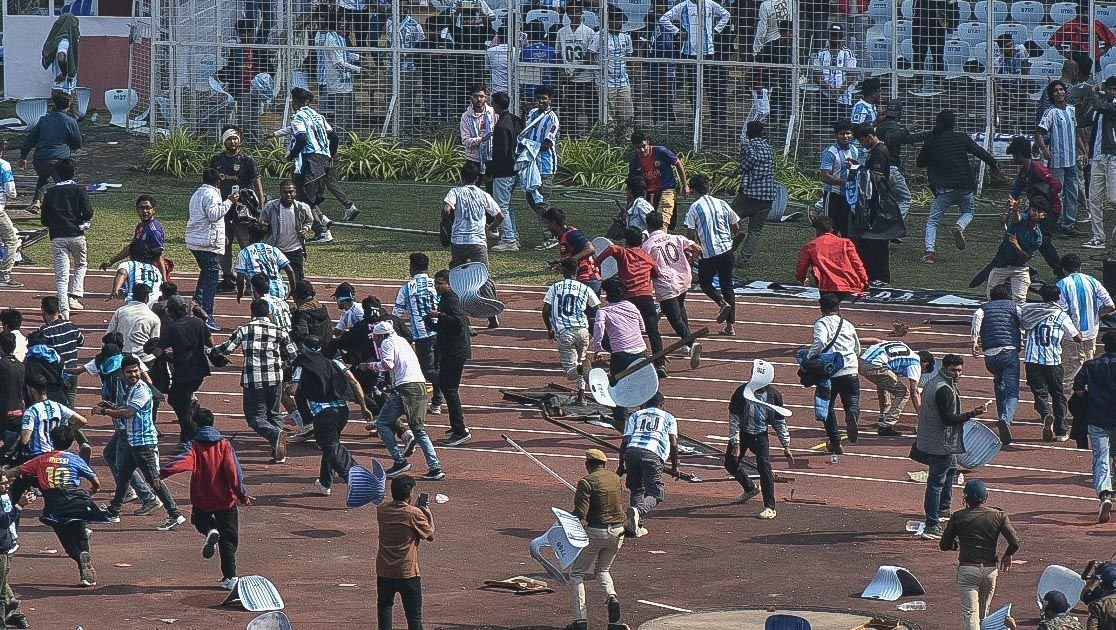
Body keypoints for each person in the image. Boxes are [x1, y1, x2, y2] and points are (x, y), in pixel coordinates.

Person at [161, 407, 252, 590]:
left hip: (202, 497)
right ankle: (230, 576)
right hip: (226, 499)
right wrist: (242, 495)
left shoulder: (193, 445)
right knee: (229, 538)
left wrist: (163, 473)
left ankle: (210, 530)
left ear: (196, 424)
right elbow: (234, 472)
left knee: (199, 519)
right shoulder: (224, 444)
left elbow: (182, 462)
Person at [97, 355, 186, 531]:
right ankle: (114, 511)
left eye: (135, 371)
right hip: (133, 441)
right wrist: (113, 407)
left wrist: (104, 411)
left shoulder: (141, 390)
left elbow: (129, 413)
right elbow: (127, 410)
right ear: (123, 373)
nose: (133, 374)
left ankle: (175, 514)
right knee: (123, 477)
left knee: (153, 479)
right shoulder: (131, 389)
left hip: (144, 443)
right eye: (129, 372)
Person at [14, 426, 102, 587]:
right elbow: (96, 482)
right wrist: (92, 491)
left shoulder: (41, 460)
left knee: (68, 543)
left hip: (56, 505)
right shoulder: (75, 459)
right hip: (77, 500)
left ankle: (79, 556)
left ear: (51, 441)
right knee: (81, 536)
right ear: (71, 442)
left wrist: (4, 474)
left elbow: (18, 470)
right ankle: (85, 572)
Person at [213, 299, 296, 463]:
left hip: (253, 380)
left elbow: (227, 349)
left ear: (252, 313)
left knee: (254, 417)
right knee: (274, 413)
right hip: (275, 378)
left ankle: (275, 435)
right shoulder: (279, 331)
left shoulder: (244, 330)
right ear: (269, 313)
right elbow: (293, 354)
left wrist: (211, 350)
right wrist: (281, 365)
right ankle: (278, 449)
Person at [917, 354, 989, 541]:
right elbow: (948, 419)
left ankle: (943, 509)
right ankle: (932, 524)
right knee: (936, 482)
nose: (957, 374)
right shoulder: (944, 389)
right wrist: (973, 413)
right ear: (945, 368)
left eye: (959, 370)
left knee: (950, 471)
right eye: (953, 370)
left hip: (935, 439)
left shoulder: (934, 382)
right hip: (942, 443)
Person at [916, 109, 1001, 263]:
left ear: (937, 122)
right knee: (968, 212)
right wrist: (994, 165)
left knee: (933, 221)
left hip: (943, 188)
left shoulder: (932, 140)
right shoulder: (961, 137)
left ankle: (929, 253)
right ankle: (959, 226)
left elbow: (920, 162)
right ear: (953, 123)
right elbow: (980, 152)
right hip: (964, 185)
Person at [363, 321, 444, 481]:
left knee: (383, 424)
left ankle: (400, 461)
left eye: (376, 338)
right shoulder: (402, 341)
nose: (375, 341)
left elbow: (388, 364)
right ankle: (434, 467)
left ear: (380, 335)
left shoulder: (387, 342)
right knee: (418, 428)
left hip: (406, 388)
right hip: (418, 385)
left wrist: (369, 366)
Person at [291, 335, 371, 496]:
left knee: (332, 448)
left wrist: (287, 390)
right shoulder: (335, 362)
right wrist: (363, 407)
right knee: (330, 446)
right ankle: (325, 482)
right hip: (342, 411)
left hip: (323, 414)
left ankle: (357, 479)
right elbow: (354, 382)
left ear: (303, 348)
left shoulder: (302, 365)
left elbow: (293, 389)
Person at [939, 479, 1021, 630]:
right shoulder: (999, 515)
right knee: (984, 614)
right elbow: (1015, 542)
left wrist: (956, 544)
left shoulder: (958, 516)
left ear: (965, 498)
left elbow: (944, 545)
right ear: (986, 497)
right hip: (990, 570)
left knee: (971, 614)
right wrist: (1007, 555)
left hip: (968, 570)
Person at [569, 448, 626, 630]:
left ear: (587, 465)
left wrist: (564, 519)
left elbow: (580, 513)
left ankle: (581, 621)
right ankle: (611, 598)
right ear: (604, 464)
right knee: (603, 570)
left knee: (577, 574)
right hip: (618, 531)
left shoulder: (586, 482)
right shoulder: (616, 479)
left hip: (596, 531)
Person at [274, 87, 339, 244]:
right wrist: (330, 156)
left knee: (301, 196)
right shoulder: (318, 116)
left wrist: (290, 157)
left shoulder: (298, 117)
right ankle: (322, 226)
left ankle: (322, 225)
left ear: (295, 103)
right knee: (309, 196)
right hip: (322, 160)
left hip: (308, 160)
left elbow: (302, 139)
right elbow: (334, 137)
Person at [596, 228, 665, 375]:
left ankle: (624, 354)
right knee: (653, 332)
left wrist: (597, 262)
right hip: (646, 297)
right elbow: (657, 273)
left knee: (622, 329)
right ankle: (660, 364)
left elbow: (612, 248)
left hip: (628, 298)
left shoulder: (624, 253)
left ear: (626, 241)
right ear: (641, 241)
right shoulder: (647, 256)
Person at [726, 365, 791, 519]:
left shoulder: (774, 396)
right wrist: (735, 444)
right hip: (742, 433)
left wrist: (786, 445)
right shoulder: (741, 393)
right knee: (730, 463)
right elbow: (734, 418)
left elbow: (780, 422)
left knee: (764, 467)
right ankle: (750, 488)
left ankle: (770, 507)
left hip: (760, 435)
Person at [210, 126, 266, 293]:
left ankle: (251, 281)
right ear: (223, 141)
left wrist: (261, 208)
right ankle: (228, 278)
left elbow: (257, 183)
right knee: (224, 245)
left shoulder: (247, 160)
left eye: (235, 138)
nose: (233, 142)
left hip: (244, 211)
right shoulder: (217, 160)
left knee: (246, 246)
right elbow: (211, 184)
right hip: (223, 210)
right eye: (229, 138)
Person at [1022, 283, 1082, 442]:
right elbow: (1077, 337)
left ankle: (1045, 413)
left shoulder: (1030, 311)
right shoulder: (1061, 315)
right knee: (1058, 395)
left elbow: (1021, 323)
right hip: (1053, 360)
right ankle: (1061, 430)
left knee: (1039, 393)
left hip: (1032, 359)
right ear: (1058, 297)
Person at [642, 211, 702, 367]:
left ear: (647, 225)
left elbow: (644, 265)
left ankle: (691, 342)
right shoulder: (676, 238)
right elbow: (697, 248)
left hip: (666, 283)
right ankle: (687, 341)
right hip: (683, 278)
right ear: (663, 224)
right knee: (681, 308)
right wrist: (690, 260)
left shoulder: (648, 245)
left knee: (674, 318)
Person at [850, 123, 905, 287]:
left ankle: (880, 277)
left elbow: (877, 177)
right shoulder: (875, 151)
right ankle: (873, 275)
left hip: (878, 201)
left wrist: (857, 168)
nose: (862, 145)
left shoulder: (879, 152)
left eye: (862, 141)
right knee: (868, 242)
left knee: (877, 242)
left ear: (869, 137)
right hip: (874, 199)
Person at [376, 475, 434, 630]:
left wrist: (413, 509)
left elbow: (401, 515)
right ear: (409, 493)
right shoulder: (414, 514)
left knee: (385, 607)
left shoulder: (381, 510)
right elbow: (430, 535)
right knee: (414, 617)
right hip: (407, 571)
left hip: (385, 570)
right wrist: (427, 514)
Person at [685, 174, 739, 336]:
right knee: (727, 285)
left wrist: (691, 251)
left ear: (694, 190)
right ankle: (730, 327)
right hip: (727, 250)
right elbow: (736, 225)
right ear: (708, 188)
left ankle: (721, 302)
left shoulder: (694, 207)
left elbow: (690, 234)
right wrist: (729, 236)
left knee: (705, 283)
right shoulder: (721, 203)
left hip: (709, 253)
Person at [808, 293, 862, 454]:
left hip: (830, 372)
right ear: (838, 308)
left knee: (828, 407)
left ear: (821, 309)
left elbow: (821, 342)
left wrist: (810, 357)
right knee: (852, 401)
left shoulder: (821, 323)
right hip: (851, 369)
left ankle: (835, 442)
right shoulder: (848, 324)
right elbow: (857, 348)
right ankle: (852, 412)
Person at [618, 393, 678, 538]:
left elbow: (625, 441)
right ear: (662, 404)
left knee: (636, 489)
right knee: (656, 493)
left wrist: (621, 465)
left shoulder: (635, 415)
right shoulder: (669, 417)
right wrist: (675, 466)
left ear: (645, 403)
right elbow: (674, 443)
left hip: (631, 452)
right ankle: (639, 511)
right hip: (653, 454)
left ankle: (636, 526)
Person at [154, 296, 212, 444]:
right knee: (179, 401)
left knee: (181, 405)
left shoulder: (172, 328)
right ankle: (187, 435)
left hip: (183, 373)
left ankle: (193, 435)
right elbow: (210, 342)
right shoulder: (198, 323)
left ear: (171, 312)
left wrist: (149, 347)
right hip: (200, 370)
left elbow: (158, 352)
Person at [187, 168, 239, 332]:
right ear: (218, 181)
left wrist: (221, 235)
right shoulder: (211, 194)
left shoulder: (198, 193)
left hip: (197, 240)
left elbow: (207, 218)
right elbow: (214, 214)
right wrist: (230, 201)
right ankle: (206, 314)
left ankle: (197, 303)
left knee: (206, 272)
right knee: (211, 276)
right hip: (205, 243)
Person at [543, 258, 601, 403]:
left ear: (563, 270)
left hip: (565, 332)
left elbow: (545, 311)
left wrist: (550, 329)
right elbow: (597, 308)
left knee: (571, 372)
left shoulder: (555, 288)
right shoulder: (585, 288)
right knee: (581, 360)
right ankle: (581, 396)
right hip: (582, 330)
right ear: (577, 271)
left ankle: (582, 369)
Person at [592, 277, 648, 429]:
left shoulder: (603, 311)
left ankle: (620, 419)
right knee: (642, 384)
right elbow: (642, 327)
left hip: (621, 354)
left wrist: (598, 349)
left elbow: (598, 329)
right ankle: (647, 413)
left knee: (615, 385)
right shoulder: (631, 306)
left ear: (607, 294)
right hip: (641, 352)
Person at [972, 283, 1024, 445]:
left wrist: (974, 342)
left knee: (998, 381)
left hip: (990, 356)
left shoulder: (982, 309)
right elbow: (1024, 324)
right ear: (1009, 295)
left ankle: (1002, 415)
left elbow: (976, 321)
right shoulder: (1014, 307)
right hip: (1009, 353)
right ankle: (1005, 419)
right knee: (1012, 392)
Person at [1058, 254, 1115, 400]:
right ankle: (1087, 408)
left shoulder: (1062, 284)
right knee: (1088, 370)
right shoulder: (1092, 281)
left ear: (1064, 269)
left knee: (1070, 374)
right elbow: (1111, 306)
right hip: (1091, 333)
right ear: (1080, 266)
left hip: (1071, 335)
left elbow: (1061, 312)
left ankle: (1065, 412)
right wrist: (1096, 316)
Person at [1073, 331, 1116, 523]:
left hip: (1098, 418)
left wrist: (1089, 398)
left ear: (1104, 346)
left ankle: (1105, 494)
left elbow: (1078, 388)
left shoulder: (1091, 366)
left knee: (1101, 457)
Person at [1006, 136, 1064, 278]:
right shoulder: (1023, 173)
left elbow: (1056, 185)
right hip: (1035, 210)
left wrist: (1043, 203)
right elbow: (1015, 194)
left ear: (1020, 154)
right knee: (1019, 234)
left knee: (1043, 240)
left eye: (1014, 155)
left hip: (1051, 209)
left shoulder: (1038, 169)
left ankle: (1060, 271)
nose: (1013, 159)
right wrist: (1007, 213)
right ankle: (1019, 266)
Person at [40, 158, 91, 318]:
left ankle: (64, 311)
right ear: (74, 172)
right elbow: (88, 211)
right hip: (76, 234)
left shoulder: (50, 192)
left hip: (58, 237)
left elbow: (44, 219)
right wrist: (81, 222)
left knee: (62, 275)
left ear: (57, 174)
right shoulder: (79, 190)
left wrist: (55, 224)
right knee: (81, 264)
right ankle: (74, 295)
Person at [394, 253, 442, 415]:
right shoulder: (437, 283)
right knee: (437, 366)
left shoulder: (407, 288)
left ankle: (446, 386)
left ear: (411, 268)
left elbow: (397, 314)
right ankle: (437, 402)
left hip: (422, 334)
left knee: (427, 370)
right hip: (441, 331)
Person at [18, 92, 81, 213]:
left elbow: (30, 140)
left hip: (41, 159)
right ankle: (65, 208)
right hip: (60, 160)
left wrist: (23, 156)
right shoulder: (70, 121)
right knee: (62, 184)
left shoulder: (44, 120)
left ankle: (36, 202)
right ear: (68, 104)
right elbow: (77, 143)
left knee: (43, 179)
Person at [430, 270, 472, 446]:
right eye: (436, 283)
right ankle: (457, 427)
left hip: (455, 351)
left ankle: (460, 430)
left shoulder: (452, 300)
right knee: (448, 387)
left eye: (440, 283)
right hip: (450, 349)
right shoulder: (446, 299)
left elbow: (458, 323)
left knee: (450, 389)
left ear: (449, 283)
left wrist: (439, 316)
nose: (437, 286)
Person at [1035, 81, 1080, 233]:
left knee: (1073, 192)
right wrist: (1044, 150)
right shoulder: (1050, 112)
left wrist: (1084, 149)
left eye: (1061, 89)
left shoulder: (1072, 110)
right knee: (1056, 193)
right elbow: (1039, 133)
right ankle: (1055, 222)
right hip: (1057, 160)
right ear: (1051, 94)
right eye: (1056, 91)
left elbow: (1077, 132)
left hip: (1072, 159)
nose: (1059, 92)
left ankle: (1069, 224)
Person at [987, 194, 1048, 305]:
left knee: (1019, 300)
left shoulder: (1038, 237)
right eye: (1033, 210)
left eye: (1039, 211)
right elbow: (1017, 218)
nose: (1035, 213)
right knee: (991, 296)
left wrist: (1016, 246)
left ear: (1044, 215)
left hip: (1020, 268)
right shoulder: (1023, 218)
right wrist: (1015, 210)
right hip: (1002, 265)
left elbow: (1027, 257)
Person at [732, 121, 777, 269]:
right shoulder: (769, 148)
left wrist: (736, 172)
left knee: (729, 218)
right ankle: (743, 261)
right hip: (768, 194)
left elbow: (750, 160)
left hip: (751, 192)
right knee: (756, 231)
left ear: (747, 133)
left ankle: (737, 234)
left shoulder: (748, 146)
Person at [520, 86, 561, 245]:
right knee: (531, 198)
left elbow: (547, 143)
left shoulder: (552, 118)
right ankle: (553, 227)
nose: (541, 101)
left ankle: (552, 235)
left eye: (544, 98)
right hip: (531, 164)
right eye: (539, 98)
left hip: (545, 165)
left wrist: (529, 146)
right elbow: (525, 130)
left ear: (550, 100)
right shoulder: (532, 113)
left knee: (541, 200)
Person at [444, 162, 504, 268]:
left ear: (462, 177)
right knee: (483, 274)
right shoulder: (483, 195)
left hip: (458, 240)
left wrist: (445, 222)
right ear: (477, 178)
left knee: (457, 272)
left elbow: (446, 209)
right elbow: (500, 216)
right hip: (478, 240)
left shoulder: (455, 192)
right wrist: (491, 227)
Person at [859, 340, 923, 437]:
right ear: (925, 364)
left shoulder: (902, 345)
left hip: (861, 360)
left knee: (884, 382)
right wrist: (921, 415)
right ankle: (886, 425)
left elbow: (875, 340)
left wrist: (855, 339)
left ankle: (883, 416)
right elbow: (914, 392)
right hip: (875, 365)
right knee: (903, 393)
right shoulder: (915, 363)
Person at [795, 216, 868, 299]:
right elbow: (857, 264)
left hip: (826, 285)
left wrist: (801, 278)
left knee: (828, 308)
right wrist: (864, 281)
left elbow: (801, 266)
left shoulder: (811, 246)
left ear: (817, 230)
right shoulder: (846, 243)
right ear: (831, 229)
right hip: (848, 283)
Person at [628, 132, 689, 231]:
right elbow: (632, 183)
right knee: (648, 224)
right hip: (648, 193)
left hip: (666, 190)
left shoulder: (660, 151)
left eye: (644, 146)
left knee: (662, 223)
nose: (642, 150)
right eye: (638, 147)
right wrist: (628, 206)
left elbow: (678, 163)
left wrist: (685, 185)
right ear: (634, 147)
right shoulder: (635, 160)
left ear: (648, 142)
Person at [875, 100, 925, 218]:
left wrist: (925, 135)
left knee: (884, 199)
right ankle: (895, 226)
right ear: (899, 115)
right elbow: (891, 139)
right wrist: (907, 130)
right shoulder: (893, 126)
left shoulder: (881, 126)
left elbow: (904, 139)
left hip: (879, 168)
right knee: (905, 199)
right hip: (890, 168)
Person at [99, 195, 168, 280]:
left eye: (148, 208)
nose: (145, 211)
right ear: (137, 209)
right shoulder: (141, 226)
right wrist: (111, 261)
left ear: (153, 210)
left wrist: (164, 281)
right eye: (141, 208)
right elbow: (131, 248)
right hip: (138, 268)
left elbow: (159, 257)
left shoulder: (154, 231)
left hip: (149, 274)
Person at [20, 373, 87, 458]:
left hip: (38, 455)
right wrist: (67, 430)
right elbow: (82, 421)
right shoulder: (58, 406)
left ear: (33, 391)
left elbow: (25, 440)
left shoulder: (31, 411)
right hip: (56, 454)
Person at [555, 2, 598, 136]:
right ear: (567, 13)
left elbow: (589, 57)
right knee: (571, 110)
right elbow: (557, 53)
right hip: (569, 79)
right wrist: (562, 72)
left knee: (590, 109)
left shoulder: (589, 32)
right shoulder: (561, 32)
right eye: (571, 11)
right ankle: (573, 136)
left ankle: (591, 135)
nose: (574, 14)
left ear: (581, 13)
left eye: (576, 11)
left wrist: (576, 71)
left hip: (586, 78)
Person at [1084, 76, 1116, 249]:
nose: (1112, 92)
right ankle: (1098, 236)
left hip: (1113, 156)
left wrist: (1095, 94)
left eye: (1114, 89)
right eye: (1109, 89)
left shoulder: (1108, 104)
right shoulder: (1101, 105)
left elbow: (1101, 106)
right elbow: (1087, 118)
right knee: (1094, 198)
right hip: (1097, 156)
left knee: (1113, 198)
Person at [489, 91, 524, 252]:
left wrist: (492, 169)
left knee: (502, 206)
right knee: (508, 205)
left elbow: (501, 153)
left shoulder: (501, 126)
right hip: (514, 168)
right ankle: (514, 235)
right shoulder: (514, 120)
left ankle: (509, 239)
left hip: (503, 171)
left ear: (495, 105)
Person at [588, 5, 635, 125]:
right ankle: (608, 141)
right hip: (605, 83)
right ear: (609, 21)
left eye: (620, 20)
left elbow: (629, 57)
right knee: (608, 116)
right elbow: (589, 55)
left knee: (627, 115)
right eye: (615, 20)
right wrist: (600, 70)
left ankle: (626, 141)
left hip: (624, 81)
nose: (618, 23)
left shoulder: (626, 37)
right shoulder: (599, 36)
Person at [262, 179, 314, 282]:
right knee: (271, 280)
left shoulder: (302, 207)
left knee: (298, 280)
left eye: (291, 192)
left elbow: (309, 221)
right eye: (285, 192)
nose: (288, 195)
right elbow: (262, 222)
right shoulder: (270, 207)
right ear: (280, 192)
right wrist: (263, 227)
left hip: (295, 249)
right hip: (275, 249)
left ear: (295, 192)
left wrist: (305, 229)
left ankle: (297, 297)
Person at [37, 296, 83, 410]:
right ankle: (73, 426)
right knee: (70, 407)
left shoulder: (44, 331)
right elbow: (81, 341)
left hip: (56, 375)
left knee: (56, 408)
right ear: (58, 310)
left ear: (43, 310)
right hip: (72, 372)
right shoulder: (71, 326)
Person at [544, 208, 601, 297]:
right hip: (581, 279)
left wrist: (571, 260)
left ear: (554, 223)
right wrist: (562, 263)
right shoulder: (563, 236)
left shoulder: (572, 234)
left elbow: (590, 249)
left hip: (587, 279)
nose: (547, 227)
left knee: (586, 310)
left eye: (548, 224)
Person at [235, 221, 295, 301]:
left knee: (261, 311)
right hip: (279, 289)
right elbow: (290, 271)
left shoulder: (245, 253)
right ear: (264, 237)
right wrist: (293, 289)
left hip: (260, 291)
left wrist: (240, 292)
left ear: (249, 235)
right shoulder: (274, 250)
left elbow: (240, 278)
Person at [811, 24, 857, 125]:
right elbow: (817, 76)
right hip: (825, 96)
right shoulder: (821, 54)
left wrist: (839, 91)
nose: (835, 38)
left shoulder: (848, 54)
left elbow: (851, 76)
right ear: (828, 36)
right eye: (833, 35)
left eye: (838, 35)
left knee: (843, 125)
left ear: (842, 37)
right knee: (825, 125)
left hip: (844, 97)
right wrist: (830, 90)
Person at [819, 120, 859, 237]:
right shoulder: (830, 152)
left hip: (849, 196)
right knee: (830, 229)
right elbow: (824, 176)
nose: (845, 136)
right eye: (842, 134)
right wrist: (844, 183)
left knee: (848, 229)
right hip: (833, 195)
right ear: (836, 135)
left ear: (852, 134)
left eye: (848, 133)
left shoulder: (854, 150)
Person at [0, 472, 30, 626]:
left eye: (7, 482)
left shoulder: (4, 496)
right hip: (5, 545)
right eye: (3, 483)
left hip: (6, 545)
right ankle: (16, 616)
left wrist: (19, 505)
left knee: (2, 586)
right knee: (2, 585)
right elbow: (5, 521)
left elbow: (6, 521)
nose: (7, 486)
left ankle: (15, 616)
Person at [107, 284, 160, 363]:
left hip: (122, 357)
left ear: (133, 295)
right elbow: (154, 343)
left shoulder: (120, 311)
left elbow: (109, 334)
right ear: (147, 298)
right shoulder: (154, 317)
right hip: (144, 358)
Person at [108, 241, 162, 307]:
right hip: (155, 303)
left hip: (136, 302)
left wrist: (115, 290)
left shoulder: (128, 264)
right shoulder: (155, 269)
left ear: (131, 254)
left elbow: (122, 273)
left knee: (120, 313)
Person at [459, 85, 497, 175]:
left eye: (481, 96)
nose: (479, 99)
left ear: (486, 98)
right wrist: (482, 139)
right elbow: (465, 141)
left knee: (491, 188)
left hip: (491, 157)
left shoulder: (493, 112)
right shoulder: (466, 116)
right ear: (471, 98)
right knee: (473, 187)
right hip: (473, 159)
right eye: (476, 96)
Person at [0, 333, 23, 464]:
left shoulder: (2, 365)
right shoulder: (21, 365)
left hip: (3, 412)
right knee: (11, 453)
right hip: (17, 413)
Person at [0, 139, 19, 289]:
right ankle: (4, 275)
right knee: (12, 240)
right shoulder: (4, 165)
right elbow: (10, 189)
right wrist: (13, 196)